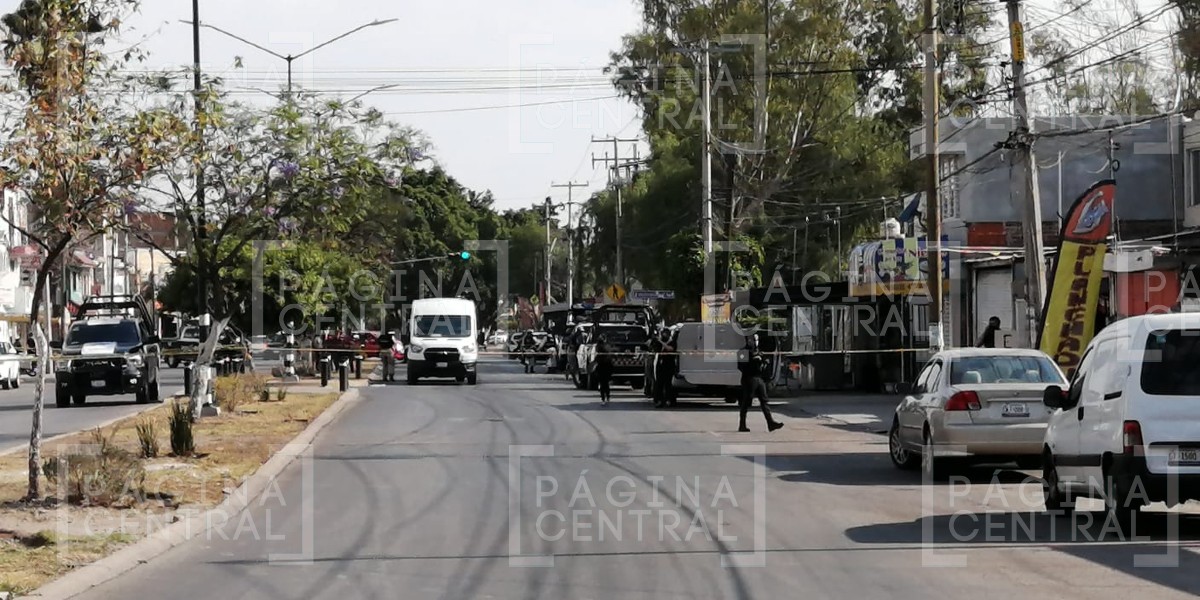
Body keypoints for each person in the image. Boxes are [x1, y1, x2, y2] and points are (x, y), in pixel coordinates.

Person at [738, 334, 783, 432]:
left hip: (759, 378)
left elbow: (762, 365)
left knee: (764, 401)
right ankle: (742, 425)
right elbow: (741, 366)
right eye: (753, 340)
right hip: (749, 378)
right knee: (746, 402)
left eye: (757, 340)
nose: (755, 342)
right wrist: (752, 361)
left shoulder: (758, 351)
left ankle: (771, 423)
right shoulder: (743, 352)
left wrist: (764, 362)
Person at [594, 334, 614, 405]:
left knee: (603, 384)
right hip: (607, 367)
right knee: (605, 384)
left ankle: (604, 398)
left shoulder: (600, 348)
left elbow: (597, 359)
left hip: (603, 367)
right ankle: (607, 397)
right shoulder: (607, 347)